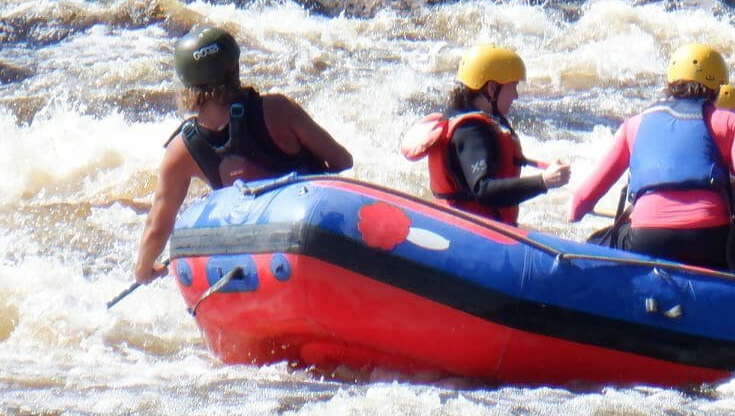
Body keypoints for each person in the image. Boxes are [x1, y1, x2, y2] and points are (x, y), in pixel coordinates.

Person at [133, 25, 353, 285]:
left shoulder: (181, 150)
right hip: (315, 237)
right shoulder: (278, 110)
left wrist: (143, 270)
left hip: (257, 262)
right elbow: (342, 161)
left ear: (186, 85)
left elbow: (158, 223)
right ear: (234, 68)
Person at [568, 43, 735, 271]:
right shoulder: (732, 123)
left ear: (671, 83)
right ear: (718, 87)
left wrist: (576, 211)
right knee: (732, 239)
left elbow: (582, 199)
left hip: (646, 241)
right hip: (713, 246)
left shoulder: (633, 125)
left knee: (596, 242)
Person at [401, 44, 570, 223]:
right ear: (491, 89)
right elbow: (483, 189)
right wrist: (543, 181)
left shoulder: (461, 119)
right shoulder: (470, 131)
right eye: (513, 86)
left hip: (462, 225)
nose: (516, 95)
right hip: (470, 230)